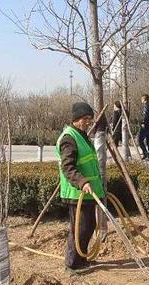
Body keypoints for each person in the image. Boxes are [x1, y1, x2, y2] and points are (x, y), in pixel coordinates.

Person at [56, 102, 106, 273]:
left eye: (89, 119)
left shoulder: (82, 135)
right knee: (80, 228)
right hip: (77, 192)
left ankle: (81, 259)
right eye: (85, 119)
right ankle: (72, 264)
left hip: (88, 192)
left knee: (89, 225)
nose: (88, 122)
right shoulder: (69, 138)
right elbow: (68, 167)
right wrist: (82, 182)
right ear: (76, 119)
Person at [138, 94, 149, 161]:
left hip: (145, 126)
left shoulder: (146, 107)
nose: (141, 100)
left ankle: (145, 154)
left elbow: (145, 116)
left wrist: (142, 123)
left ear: (144, 100)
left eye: (141, 99)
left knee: (140, 140)